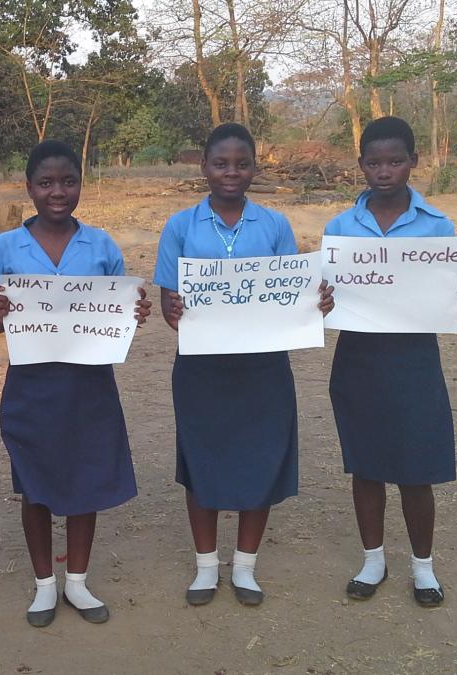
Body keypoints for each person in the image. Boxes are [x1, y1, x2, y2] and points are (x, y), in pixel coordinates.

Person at [154, 123, 334, 607]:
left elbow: (288, 294)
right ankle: (206, 567)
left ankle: (246, 567)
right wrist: (173, 311)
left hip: (264, 368)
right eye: (220, 163)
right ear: (203, 167)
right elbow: (171, 301)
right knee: (201, 460)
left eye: (242, 163)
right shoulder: (180, 227)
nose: (231, 173)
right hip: (201, 368)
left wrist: (312, 303)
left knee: (262, 459)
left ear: (255, 167)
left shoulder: (274, 225)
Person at [0, 140, 150, 627]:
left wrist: (134, 312)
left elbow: (119, 313)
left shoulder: (101, 246)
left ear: (81, 184)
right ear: (28, 187)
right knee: (34, 484)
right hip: (31, 385)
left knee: (86, 479)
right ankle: (44, 586)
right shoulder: (4, 248)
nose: (58, 191)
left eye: (68, 181)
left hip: (89, 384)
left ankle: (77, 580)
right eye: (46, 183)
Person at [324, 116, 457, 607]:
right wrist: (322, 298)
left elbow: (447, 294)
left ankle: (423, 568)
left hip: (414, 360)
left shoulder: (438, 226)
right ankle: (373, 561)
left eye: (395, 161)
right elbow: (326, 292)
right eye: (374, 162)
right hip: (358, 358)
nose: (384, 170)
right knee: (366, 465)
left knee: (417, 466)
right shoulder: (341, 228)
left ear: (414, 161)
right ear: (361, 166)